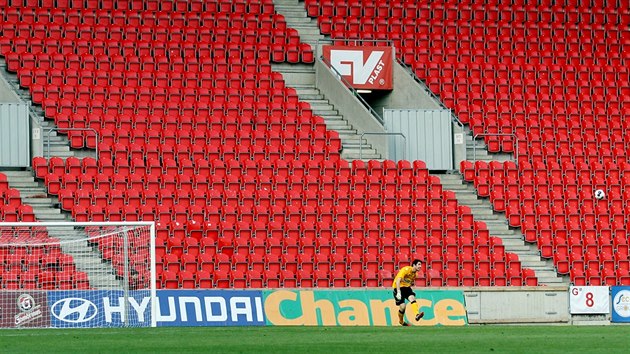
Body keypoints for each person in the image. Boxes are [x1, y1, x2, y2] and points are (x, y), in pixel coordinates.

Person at [392, 259, 425, 326]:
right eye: (418, 264)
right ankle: (401, 321)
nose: (420, 266)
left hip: (406, 288)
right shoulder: (406, 269)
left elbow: (408, 282)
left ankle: (417, 315)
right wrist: (398, 292)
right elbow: (397, 281)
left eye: (420, 265)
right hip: (398, 287)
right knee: (403, 307)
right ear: (414, 265)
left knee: (412, 298)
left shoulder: (415, 274)